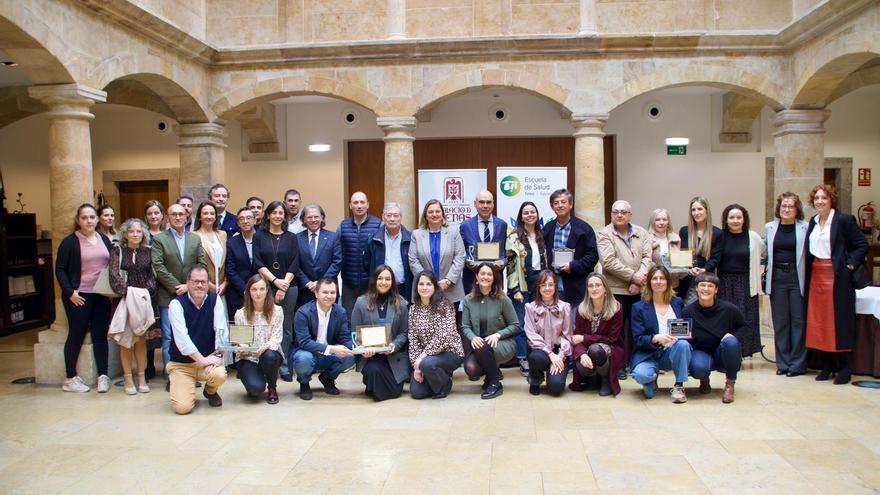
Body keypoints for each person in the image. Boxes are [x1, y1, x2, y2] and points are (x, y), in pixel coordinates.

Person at [804, 184, 869, 385]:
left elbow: (862, 245)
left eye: (824, 198)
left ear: (831, 199)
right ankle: (827, 365)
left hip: (838, 277)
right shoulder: (813, 222)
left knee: (839, 322)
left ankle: (845, 367)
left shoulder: (843, 220)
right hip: (816, 277)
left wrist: (850, 264)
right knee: (820, 322)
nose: (820, 201)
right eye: (816, 198)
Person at [56, 204, 114, 393]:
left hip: (101, 295)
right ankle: (70, 378)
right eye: (84, 218)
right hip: (79, 296)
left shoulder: (104, 239)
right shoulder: (70, 242)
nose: (89, 221)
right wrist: (69, 292)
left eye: (92, 217)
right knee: (76, 334)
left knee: (100, 335)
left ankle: (103, 376)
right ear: (78, 220)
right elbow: (60, 270)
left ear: (97, 219)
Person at [597, 199, 653, 372]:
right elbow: (608, 261)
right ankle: (618, 365)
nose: (619, 215)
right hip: (616, 290)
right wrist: (633, 277)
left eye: (623, 212)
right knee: (617, 330)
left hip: (639, 290)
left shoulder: (641, 232)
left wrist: (640, 280)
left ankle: (637, 363)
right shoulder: (604, 233)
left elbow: (647, 258)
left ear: (630, 215)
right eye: (615, 212)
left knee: (638, 329)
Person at [152, 203, 206, 381]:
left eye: (181, 214)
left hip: (193, 296)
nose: (177, 217)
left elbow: (202, 265)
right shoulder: (160, 239)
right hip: (169, 295)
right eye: (173, 214)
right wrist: (178, 286)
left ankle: (193, 373)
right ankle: (172, 377)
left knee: (190, 334)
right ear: (167, 218)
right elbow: (158, 267)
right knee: (169, 336)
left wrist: (189, 286)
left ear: (186, 217)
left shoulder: (194, 239)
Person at [167, 265, 228, 414]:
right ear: (188, 283)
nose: (199, 285)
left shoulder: (215, 301)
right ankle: (182, 384)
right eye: (195, 281)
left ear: (208, 284)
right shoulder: (176, 304)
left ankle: (210, 391)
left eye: (203, 282)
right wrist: (202, 360)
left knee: (219, 374)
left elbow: (221, 332)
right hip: (182, 364)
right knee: (183, 408)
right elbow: (183, 340)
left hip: (207, 361)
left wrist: (218, 356)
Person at [109, 218, 157, 395]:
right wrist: (128, 293)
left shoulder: (149, 251)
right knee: (125, 341)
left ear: (144, 233)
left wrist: (146, 292)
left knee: (141, 341)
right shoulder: (118, 251)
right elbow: (114, 275)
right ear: (125, 234)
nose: (135, 234)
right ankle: (128, 378)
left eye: (139, 231)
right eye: (131, 231)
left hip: (143, 301)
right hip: (124, 301)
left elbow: (153, 275)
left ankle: (142, 377)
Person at [630, 266, 691, 403]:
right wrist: (654, 338)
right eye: (655, 278)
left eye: (662, 278)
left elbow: (685, 327)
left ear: (668, 282)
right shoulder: (638, 307)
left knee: (683, 344)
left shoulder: (678, 303)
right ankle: (651, 379)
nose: (658, 281)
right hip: (648, 354)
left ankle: (679, 386)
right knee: (642, 376)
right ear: (649, 283)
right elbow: (638, 339)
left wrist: (686, 333)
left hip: (671, 352)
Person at [764, 192, 809, 377]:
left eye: (791, 206)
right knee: (781, 322)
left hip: (797, 277)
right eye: (784, 206)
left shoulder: (805, 227)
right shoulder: (770, 227)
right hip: (777, 278)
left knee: (798, 322)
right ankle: (783, 363)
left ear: (797, 209)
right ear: (778, 208)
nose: (787, 209)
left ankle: (797, 364)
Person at [253, 200, 300, 381]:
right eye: (274, 213)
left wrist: (284, 284)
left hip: (289, 287)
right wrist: (275, 282)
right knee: (265, 326)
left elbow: (295, 262)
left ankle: (285, 366)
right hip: (265, 288)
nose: (278, 216)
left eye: (281, 213)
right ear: (268, 215)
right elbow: (257, 262)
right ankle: (265, 363)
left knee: (287, 328)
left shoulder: (291, 237)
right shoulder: (259, 236)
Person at [460, 263, 521, 399]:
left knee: (483, 347)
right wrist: (473, 338)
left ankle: (495, 383)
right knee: (471, 368)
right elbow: (465, 326)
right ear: (476, 277)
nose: (485, 277)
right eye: (482, 273)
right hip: (479, 346)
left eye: (489, 274)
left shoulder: (503, 299)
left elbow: (516, 325)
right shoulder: (468, 300)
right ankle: (492, 372)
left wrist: (499, 334)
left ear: (494, 278)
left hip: (503, 344)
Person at [683, 272, 744, 403]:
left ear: (716, 290)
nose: (706, 289)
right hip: (701, 350)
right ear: (696, 289)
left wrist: (734, 336)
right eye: (702, 285)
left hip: (722, 351)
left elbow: (743, 326)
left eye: (710, 286)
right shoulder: (687, 311)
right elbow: (684, 334)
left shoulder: (729, 309)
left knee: (731, 342)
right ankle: (704, 378)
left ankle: (730, 384)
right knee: (698, 368)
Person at [351, 265, 410, 401]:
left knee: (395, 392)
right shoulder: (361, 303)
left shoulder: (401, 303)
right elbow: (354, 332)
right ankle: (373, 385)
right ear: (374, 280)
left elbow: (404, 332)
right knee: (374, 369)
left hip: (393, 355)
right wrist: (363, 349)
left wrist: (394, 345)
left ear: (392, 282)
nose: (384, 282)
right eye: (380, 278)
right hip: (371, 356)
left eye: (388, 279)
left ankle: (373, 387)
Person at [292, 278, 356, 400]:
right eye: (325, 292)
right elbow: (304, 342)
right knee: (303, 358)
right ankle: (304, 383)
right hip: (308, 352)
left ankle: (328, 378)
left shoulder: (340, 312)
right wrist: (331, 348)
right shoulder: (303, 312)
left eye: (333, 292)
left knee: (351, 356)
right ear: (316, 293)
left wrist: (359, 349)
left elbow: (345, 338)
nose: (329, 296)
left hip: (329, 355)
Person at [506, 201, 549, 373]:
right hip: (521, 285)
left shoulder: (542, 234)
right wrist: (514, 290)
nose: (530, 215)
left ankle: (538, 356)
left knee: (539, 322)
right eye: (526, 212)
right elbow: (510, 264)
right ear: (521, 216)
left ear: (537, 215)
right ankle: (523, 357)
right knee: (522, 323)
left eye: (533, 212)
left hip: (540, 284)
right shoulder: (513, 236)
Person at [408, 271, 464, 399]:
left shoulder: (444, 306)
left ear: (435, 287)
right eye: (421, 284)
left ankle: (445, 383)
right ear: (416, 287)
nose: (424, 287)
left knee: (427, 364)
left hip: (450, 353)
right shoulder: (413, 309)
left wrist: (421, 358)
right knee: (417, 393)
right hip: (425, 359)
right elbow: (413, 339)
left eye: (429, 284)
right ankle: (434, 378)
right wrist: (416, 367)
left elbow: (443, 337)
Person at [717, 203, 764, 357]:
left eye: (739, 217)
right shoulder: (719, 236)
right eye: (731, 217)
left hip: (746, 283)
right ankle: (727, 352)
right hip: (724, 283)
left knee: (746, 319)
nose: (735, 220)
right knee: (726, 318)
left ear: (744, 219)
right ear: (726, 219)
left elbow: (763, 252)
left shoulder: (753, 237)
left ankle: (743, 352)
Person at [542, 188, 599, 308]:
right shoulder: (548, 228)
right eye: (556, 203)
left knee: (574, 321)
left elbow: (593, 256)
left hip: (576, 282)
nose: (560, 205)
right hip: (553, 282)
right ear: (552, 207)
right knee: (555, 320)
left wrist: (573, 266)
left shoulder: (584, 228)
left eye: (563, 202)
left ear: (571, 204)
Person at [570, 273, 625, 397]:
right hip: (587, 347)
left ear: (605, 288)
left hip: (611, 346)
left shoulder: (616, 308)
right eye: (591, 286)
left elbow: (612, 338)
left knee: (595, 350)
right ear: (587, 290)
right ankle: (594, 378)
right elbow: (576, 338)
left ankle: (605, 379)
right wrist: (582, 354)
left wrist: (585, 338)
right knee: (580, 364)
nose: (594, 289)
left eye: (598, 285)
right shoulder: (581, 309)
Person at [233, 275, 283, 404]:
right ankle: (254, 377)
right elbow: (239, 343)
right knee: (255, 390)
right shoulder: (240, 314)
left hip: (268, 354)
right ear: (248, 292)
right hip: (248, 357)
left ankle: (272, 387)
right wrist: (244, 347)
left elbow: (276, 338)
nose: (258, 293)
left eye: (262, 289)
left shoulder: (277, 311)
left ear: (267, 291)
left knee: (270, 355)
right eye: (254, 289)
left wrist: (265, 347)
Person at [523, 269, 572, 396]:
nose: (547, 288)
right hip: (541, 351)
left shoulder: (565, 307)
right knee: (536, 357)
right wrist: (550, 355)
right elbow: (531, 336)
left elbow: (567, 336)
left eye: (550, 284)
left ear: (555, 287)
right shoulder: (530, 307)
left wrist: (560, 357)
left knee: (556, 387)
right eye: (543, 285)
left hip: (559, 351)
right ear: (538, 288)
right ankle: (535, 379)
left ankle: (554, 375)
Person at [409, 199, 466, 304]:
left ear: (442, 214)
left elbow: (460, 257)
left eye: (437, 211)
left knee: (449, 320)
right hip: (424, 291)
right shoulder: (416, 235)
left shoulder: (454, 233)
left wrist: (448, 280)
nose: (434, 214)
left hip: (450, 290)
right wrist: (427, 282)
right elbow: (413, 260)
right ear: (425, 215)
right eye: (430, 212)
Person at [338, 192, 382, 318]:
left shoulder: (378, 225)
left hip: (371, 283)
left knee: (371, 318)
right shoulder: (342, 226)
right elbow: (338, 252)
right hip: (349, 283)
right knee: (348, 319)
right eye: (355, 202)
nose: (359, 206)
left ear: (367, 205)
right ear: (350, 206)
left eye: (362, 202)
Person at [460, 190, 508, 294]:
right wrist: (467, 261)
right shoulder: (465, 226)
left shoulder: (502, 225)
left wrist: (503, 262)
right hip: (472, 281)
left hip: (495, 281)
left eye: (488, 202)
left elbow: (505, 253)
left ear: (493, 204)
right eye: (481, 202)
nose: (485, 206)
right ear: (475, 204)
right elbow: (459, 253)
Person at [296, 203, 342, 308]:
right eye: (309, 217)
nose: (313, 220)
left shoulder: (333, 237)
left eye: (316, 216)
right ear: (304, 220)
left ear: (322, 218)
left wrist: (320, 283)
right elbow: (295, 265)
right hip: (305, 291)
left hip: (328, 290)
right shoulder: (296, 239)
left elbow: (337, 262)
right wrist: (307, 283)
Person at [678, 196, 723, 303]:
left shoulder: (717, 233)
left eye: (700, 209)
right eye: (693, 210)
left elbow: (716, 258)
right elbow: (682, 255)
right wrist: (689, 269)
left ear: (706, 211)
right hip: (687, 279)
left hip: (706, 279)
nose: (696, 213)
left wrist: (703, 270)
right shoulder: (684, 231)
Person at [365, 202, 413, 302]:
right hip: (381, 288)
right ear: (383, 217)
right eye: (388, 215)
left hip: (403, 288)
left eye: (396, 215)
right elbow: (367, 264)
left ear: (400, 218)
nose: (392, 219)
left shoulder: (411, 238)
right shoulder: (373, 239)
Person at [143, 199, 166, 378]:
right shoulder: (142, 236)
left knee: (165, 327)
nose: (153, 216)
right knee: (149, 326)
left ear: (162, 215)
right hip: (147, 287)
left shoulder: (167, 234)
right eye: (150, 213)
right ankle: (149, 364)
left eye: (156, 213)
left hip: (164, 286)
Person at [226, 207, 258, 319]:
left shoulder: (263, 239)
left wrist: (257, 289)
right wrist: (245, 290)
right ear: (238, 223)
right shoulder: (231, 242)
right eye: (241, 219)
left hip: (261, 292)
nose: (245, 221)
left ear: (255, 220)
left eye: (249, 218)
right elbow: (230, 270)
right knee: (240, 332)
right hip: (238, 294)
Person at [192, 201, 228, 300]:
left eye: (212, 213)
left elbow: (228, 261)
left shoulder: (223, 234)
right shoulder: (193, 236)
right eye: (205, 213)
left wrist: (225, 282)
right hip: (202, 288)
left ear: (216, 216)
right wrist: (207, 283)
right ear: (199, 216)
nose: (209, 216)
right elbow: (193, 264)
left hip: (222, 288)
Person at [646, 208, 681, 289]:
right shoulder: (646, 239)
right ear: (652, 222)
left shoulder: (675, 238)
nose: (661, 223)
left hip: (673, 283)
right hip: (653, 283)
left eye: (664, 219)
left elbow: (679, 261)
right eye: (658, 220)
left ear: (668, 222)